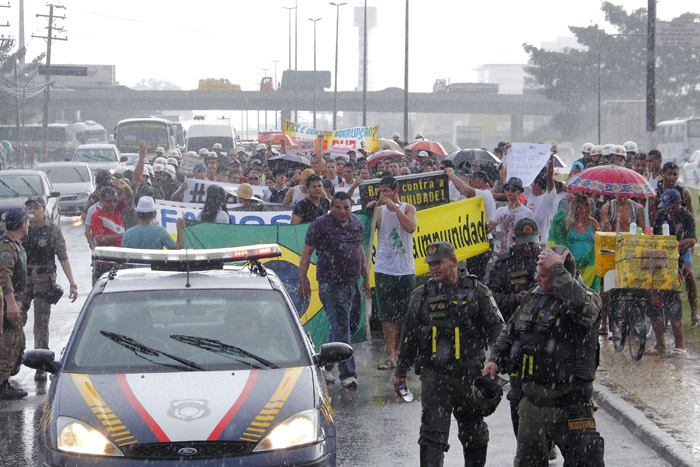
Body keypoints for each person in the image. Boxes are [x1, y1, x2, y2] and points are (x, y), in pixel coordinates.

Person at [483, 246, 604, 467]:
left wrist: (557, 268)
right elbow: (511, 331)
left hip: (571, 406)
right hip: (532, 404)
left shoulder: (587, 299)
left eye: (544, 275)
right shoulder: (533, 296)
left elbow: (581, 305)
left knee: (585, 461)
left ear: (561, 275)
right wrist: (495, 359)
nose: (536, 278)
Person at [393, 241, 504, 467]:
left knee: (474, 434)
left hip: (469, 375)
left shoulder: (477, 291)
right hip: (434, 376)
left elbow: (497, 329)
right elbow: (409, 336)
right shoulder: (421, 295)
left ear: (453, 262)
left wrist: (494, 360)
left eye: (439, 263)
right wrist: (400, 371)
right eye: (430, 264)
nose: (434, 268)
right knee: (431, 436)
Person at [299, 192, 370, 389]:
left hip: (352, 283)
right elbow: (306, 253)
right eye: (338, 207)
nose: (342, 211)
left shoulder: (356, 223)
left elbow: (360, 251)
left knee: (350, 325)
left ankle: (325, 362)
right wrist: (302, 280)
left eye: (346, 207)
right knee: (342, 327)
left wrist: (365, 277)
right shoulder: (320, 224)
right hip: (331, 285)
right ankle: (348, 374)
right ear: (331, 207)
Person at [22, 196, 78, 381]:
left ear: (44, 209)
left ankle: (40, 363)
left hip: (44, 280)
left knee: (41, 324)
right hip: (23, 280)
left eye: (35, 207)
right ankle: (13, 358)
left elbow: (63, 257)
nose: (32, 211)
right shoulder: (22, 228)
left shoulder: (53, 231)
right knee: (14, 322)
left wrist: (72, 283)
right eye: (29, 207)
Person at [366, 176, 417, 371]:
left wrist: (395, 208)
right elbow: (366, 232)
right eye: (381, 191)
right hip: (384, 268)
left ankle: (400, 352)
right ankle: (390, 355)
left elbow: (411, 227)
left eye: (386, 191)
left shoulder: (407, 208)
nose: (383, 195)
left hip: (404, 268)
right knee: (387, 314)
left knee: (404, 314)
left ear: (396, 191)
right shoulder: (379, 212)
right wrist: (369, 210)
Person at [651, 189, 695, 351]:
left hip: (676, 261)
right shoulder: (660, 216)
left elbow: (692, 240)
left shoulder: (686, 217)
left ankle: (679, 345)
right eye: (666, 206)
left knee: (673, 301)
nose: (668, 210)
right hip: (657, 261)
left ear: (679, 204)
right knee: (653, 300)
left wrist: (675, 245)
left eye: (672, 207)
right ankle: (660, 343)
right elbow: (654, 237)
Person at [0, 208, 30, 399]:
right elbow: (3, 275)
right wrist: (10, 303)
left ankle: (6, 377)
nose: (28, 225)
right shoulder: (7, 247)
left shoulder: (15, 244)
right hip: (8, 301)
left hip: (17, 298)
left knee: (18, 341)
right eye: (26, 221)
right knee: (9, 341)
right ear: (22, 225)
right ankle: (2, 382)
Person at [548, 192, 601, 292]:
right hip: (572, 263)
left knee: (585, 290)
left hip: (588, 264)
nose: (589, 207)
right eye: (585, 205)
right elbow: (561, 237)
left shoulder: (593, 223)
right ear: (578, 207)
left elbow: (599, 241)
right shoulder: (569, 222)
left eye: (589, 205)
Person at [90, 180, 133, 283]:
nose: (112, 204)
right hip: (105, 261)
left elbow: (129, 195)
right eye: (109, 201)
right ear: (102, 201)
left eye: (115, 201)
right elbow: (100, 238)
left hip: (120, 258)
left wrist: (126, 187)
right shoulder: (97, 215)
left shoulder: (117, 209)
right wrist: (121, 235)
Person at [488, 177, 534, 255]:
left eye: (513, 190)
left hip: (519, 254)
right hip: (503, 253)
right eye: (507, 189)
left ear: (520, 192)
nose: (510, 191)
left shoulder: (527, 213)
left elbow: (530, 237)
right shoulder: (500, 211)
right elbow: (488, 228)